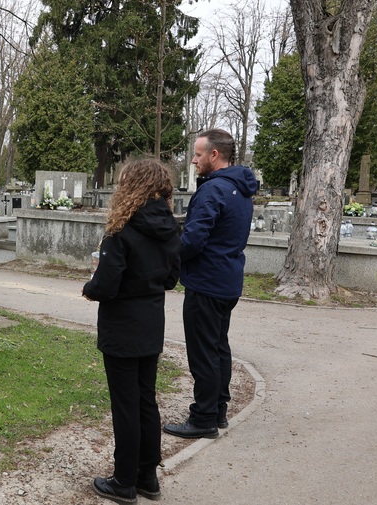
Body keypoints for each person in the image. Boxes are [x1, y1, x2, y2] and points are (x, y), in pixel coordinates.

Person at [82, 159, 181, 503]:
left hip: (123, 326)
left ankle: (124, 480)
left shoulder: (121, 230)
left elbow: (106, 285)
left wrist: (90, 285)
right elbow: (170, 278)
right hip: (151, 322)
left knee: (126, 405)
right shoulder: (169, 227)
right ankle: (147, 476)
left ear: (131, 186)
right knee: (145, 402)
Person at [163, 128, 258, 440]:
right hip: (227, 280)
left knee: (203, 352)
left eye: (198, 154)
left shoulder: (214, 190)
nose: (194, 160)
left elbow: (193, 239)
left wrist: (167, 258)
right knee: (218, 347)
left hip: (206, 282)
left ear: (214, 155)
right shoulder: (240, 188)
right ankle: (218, 409)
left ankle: (203, 418)